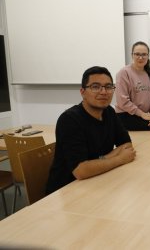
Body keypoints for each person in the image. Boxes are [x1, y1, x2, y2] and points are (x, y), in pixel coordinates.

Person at [46, 66, 136, 194]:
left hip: (98, 181)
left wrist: (99, 161)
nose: (103, 92)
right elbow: (81, 170)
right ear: (82, 92)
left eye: (108, 87)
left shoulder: (109, 112)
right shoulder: (69, 120)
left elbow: (127, 145)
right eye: (95, 86)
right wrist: (119, 159)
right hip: (67, 190)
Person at [115, 41, 150, 131]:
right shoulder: (124, 73)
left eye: (144, 54)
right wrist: (142, 114)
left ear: (148, 56)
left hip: (142, 116)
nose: (140, 57)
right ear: (132, 55)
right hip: (125, 116)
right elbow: (122, 101)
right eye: (137, 54)